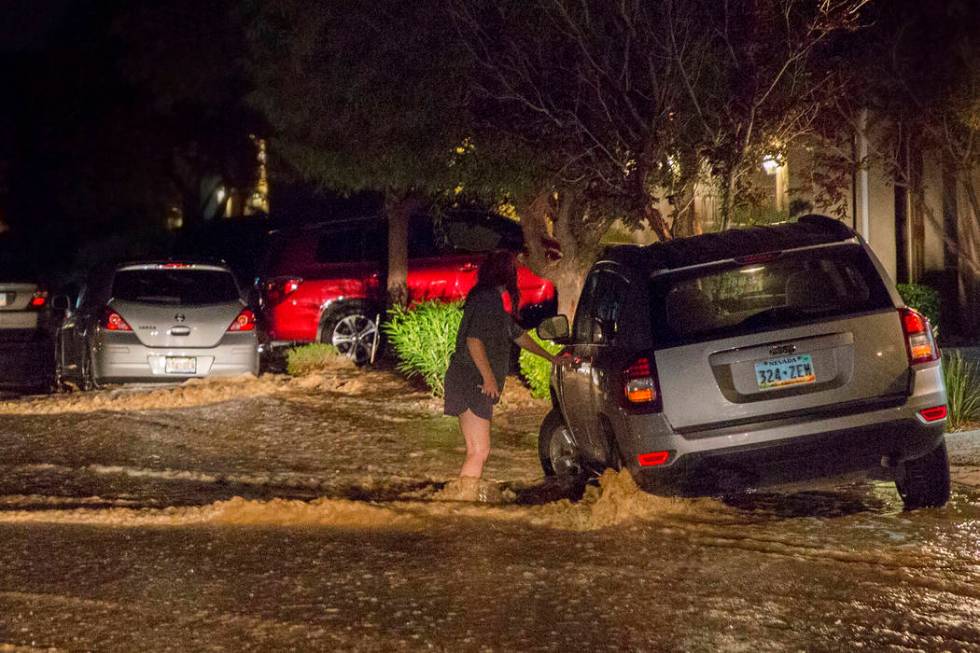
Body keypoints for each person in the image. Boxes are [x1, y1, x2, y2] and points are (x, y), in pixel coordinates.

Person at [441, 250, 556, 501]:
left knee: (475, 449)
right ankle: (462, 504)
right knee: (479, 450)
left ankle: (460, 501)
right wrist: (489, 378)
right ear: (505, 273)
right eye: (514, 269)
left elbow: (518, 335)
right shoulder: (487, 300)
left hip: (465, 379)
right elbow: (473, 341)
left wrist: (551, 358)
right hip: (473, 382)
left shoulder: (487, 300)